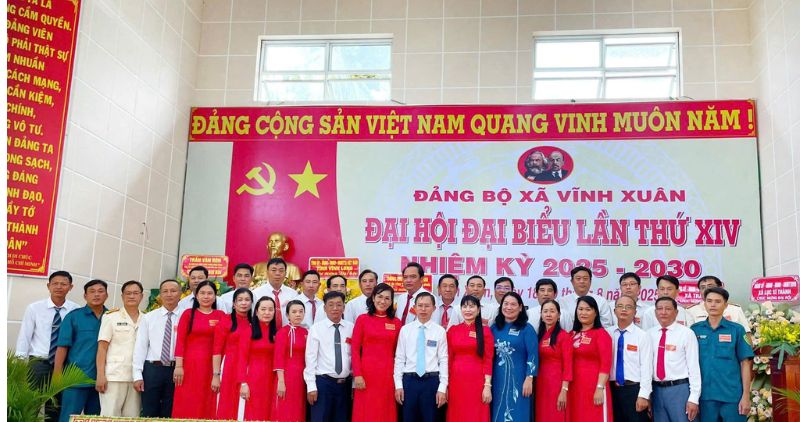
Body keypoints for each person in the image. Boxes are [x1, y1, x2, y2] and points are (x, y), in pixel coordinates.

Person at [15, 270, 79, 422]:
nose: (59, 287)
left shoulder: (76, 310)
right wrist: (19, 362)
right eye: (55, 283)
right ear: (48, 286)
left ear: (70, 287)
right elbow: (25, 335)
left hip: (64, 364)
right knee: (31, 404)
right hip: (38, 363)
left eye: (63, 284)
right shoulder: (34, 308)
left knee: (56, 406)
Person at [691, 287, 753, 421]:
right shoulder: (694, 330)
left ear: (725, 305)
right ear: (704, 304)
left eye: (718, 301)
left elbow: (745, 363)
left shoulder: (737, 329)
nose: (713, 305)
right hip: (705, 397)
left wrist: (746, 396)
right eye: (709, 301)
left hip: (732, 396)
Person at [54, 279, 109, 422]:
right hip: (76, 379)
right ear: (85, 296)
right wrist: (57, 374)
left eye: (100, 291)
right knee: (68, 417)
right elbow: (62, 347)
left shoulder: (112, 317)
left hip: (103, 380)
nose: (96, 295)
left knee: (96, 418)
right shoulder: (73, 317)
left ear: (107, 295)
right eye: (92, 291)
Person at [172, 280, 225, 419]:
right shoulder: (188, 314)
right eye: (202, 293)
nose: (206, 296)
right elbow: (180, 342)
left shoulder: (220, 316)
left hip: (211, 367)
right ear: (196, 296)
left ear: (215, 296)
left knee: (208, 402)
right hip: (189, 367)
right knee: (187, 402)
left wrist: (217, 373)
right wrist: (179, 366)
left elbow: (221, 344)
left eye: (209, 293)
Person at [394, 292, 449, 422]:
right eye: (420, 305)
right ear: (414, 307)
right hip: (409, 382)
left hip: (431, 382)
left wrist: (442, 388)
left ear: (434, 308)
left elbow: (444, 360)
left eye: (427, 306)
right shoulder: (405, 330)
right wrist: (398, 385)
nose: (423, 309)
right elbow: (399, 359)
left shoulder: (439, 331)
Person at [351, 283, 402, 422]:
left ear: (392, 302)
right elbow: (354, 349)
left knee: (385, 410)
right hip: (366, 375)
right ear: (373, 297)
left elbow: (399, 352)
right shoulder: (362, 319)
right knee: (365, 411)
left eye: (387, 298)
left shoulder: (396, 323)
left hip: (387, 375)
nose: (383, 301)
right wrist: (358, 374)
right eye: (379, 297)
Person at [133, 279, 182, 418]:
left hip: (176, 370)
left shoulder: (186, 316)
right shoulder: (149, 317)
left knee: (171, 411)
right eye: (165, 291)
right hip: (152, 370)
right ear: (159, 295)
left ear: (180, 293)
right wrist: (137, 375)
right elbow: (140, 347)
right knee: (150, 410)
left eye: (173, 291)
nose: (169, 294)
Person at [648, 296, 701, 422]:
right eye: (659, 309)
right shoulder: (649, 334)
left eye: (668, 309)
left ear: (676, 312)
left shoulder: (686, 333)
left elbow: (694, 367)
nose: (663, 312)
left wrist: (693, 398)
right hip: (656, 390)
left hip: (679, 390)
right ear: (655, 312)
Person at [96, 280, 143, 416]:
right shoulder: (111, 317)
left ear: (141, 296)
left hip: (136, 377)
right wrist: (100, 375)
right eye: (128, 293)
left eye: (135, 293)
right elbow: (102, 348)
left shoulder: (146, 318)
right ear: (122, 296)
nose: (132, 296)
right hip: (114, 376)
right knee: (110, 415)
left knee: (133, 416)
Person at [305, 291, 354, 422]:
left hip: (345, 386)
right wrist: (311, 387)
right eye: (331, 305)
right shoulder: (316, 329)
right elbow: (310, 360)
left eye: (339, 305)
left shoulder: (352, 328)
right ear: (325, 308)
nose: (335, 308)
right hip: (323, 384)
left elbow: (354, 357)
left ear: (344, 307)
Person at [492, 292, 538, 422]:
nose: (509, 307)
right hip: (497, 379)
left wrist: (529, 378)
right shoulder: (494, 328)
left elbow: (533, 354)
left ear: (520, 307)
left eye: (513, 304)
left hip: (519, 380)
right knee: (498, 409)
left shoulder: (527, 329)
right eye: (506, 304)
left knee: (518, 412)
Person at [447, 295, 494, 421]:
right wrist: (445, 384)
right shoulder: (453, 330)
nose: (468, 310)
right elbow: (448, 359)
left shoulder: (485, 331)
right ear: (460, 309)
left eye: (472, 306)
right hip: (456, 382)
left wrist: (487, 385)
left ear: (478, 310)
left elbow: (488, 359)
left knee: (476, 414)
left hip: (477, 381)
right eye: (464, 306)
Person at [608, 295, 653, 422]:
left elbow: (646, 367)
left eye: (628, 307)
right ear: (614, 310)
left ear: (635, 312)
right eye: (620, 306)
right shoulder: (607, 334)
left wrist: (644, 395)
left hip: (633, 390)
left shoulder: (642, 336)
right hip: (611, 390)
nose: (624, 310)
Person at [569, 296, 613, 422]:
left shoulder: (601, 334)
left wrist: (600, 388)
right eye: (580, 309)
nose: (583, 313)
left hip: (594, 387)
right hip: (575, 388)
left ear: (595, 313)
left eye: (588, 309)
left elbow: (606, 364)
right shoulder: (571, 334)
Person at [213, 288, 254, 419]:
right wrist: (216, 375)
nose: (244, 303)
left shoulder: (254, 323)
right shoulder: (225, 321)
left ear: (252, 303)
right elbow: (217, 350)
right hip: (229, 366)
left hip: (248, 366)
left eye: (247, 300)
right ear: (234, 303)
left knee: (244, 404)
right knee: (226, 402)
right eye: (240, 300)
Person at [240, 296, 279, 421]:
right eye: (263, 309)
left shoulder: (277, 334)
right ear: (256, 312)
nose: (267, 313)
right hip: (253, 379)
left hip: (271, 380)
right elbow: (241, 359)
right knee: (253, 412)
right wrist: (243, 383)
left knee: (269, 412)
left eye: (270, 309)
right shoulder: (248, 331)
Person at [535, 299, 572, 422]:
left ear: (559, 315)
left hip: (557, 384)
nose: (549, 315)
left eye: (552, 311)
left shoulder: (564, 336)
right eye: (545, 311)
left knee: (556, 415)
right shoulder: (539, 336)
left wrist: (564, 390)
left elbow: (568, 365)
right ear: (541, 315)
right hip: (541, 383)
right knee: (542, 415)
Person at [271, 300, 308, 422]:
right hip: (286, 376)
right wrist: (281, 381)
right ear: (287, 315)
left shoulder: (306, 332)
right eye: (294, 312)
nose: (298, 314)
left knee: (298, 407)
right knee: (284, 407)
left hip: (301, 376)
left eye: (301, 312)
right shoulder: (282, 332)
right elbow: (278, 357)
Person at [687, 276, 751, 333]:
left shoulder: (735, 309)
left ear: (720, 288)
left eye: (710, 286)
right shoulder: (691, 311)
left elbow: (746, 334)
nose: (706, 290)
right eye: (703, 287)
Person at [253, 258, 299, 327]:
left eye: (281, 271)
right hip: (263, 333)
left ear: (285, 273)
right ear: (267, 272)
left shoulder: (293, 294)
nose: (277, 273)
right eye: (273, 270)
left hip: (287, 333)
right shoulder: (256, 293)